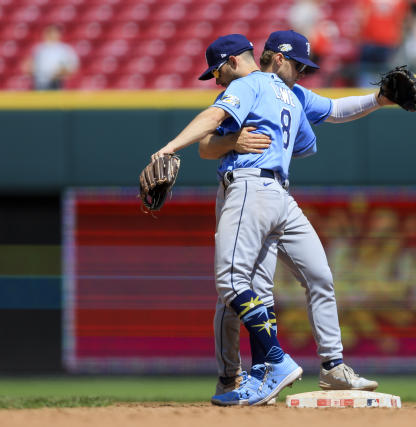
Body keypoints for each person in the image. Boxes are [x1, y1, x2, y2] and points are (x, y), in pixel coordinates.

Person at [198, 30, 404, 399]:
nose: (303, 72)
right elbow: (207, 142)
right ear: (278, 57)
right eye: (298, 65)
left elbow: (335, 108)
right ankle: (234, 376)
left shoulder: (290, 93)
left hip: (276, 193)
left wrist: (379, 99)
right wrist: (191, 147)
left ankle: (331, 366)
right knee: (239, 289)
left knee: (319, 275)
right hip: (243, 187)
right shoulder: (247, 88)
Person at [151, 33, 317, 406]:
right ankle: (255, 376)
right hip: (269, 191)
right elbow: (211, 145)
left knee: (229, 281)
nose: (217, 81)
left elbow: (212, 118)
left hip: (249, 188)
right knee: (252, 287)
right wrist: (236, 141)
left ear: (231, 62)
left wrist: (168, 147)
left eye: (217, 72)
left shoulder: (247, 84)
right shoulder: (280, 92)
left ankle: (274, 360)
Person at [23, 25, 79, 90]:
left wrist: (60, 72)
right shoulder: (39, 48)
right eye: (50, 33)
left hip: (56, 82)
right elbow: (28, 64)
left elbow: (72, 67)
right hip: (38, 82)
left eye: (54, 33)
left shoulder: (64, 49)